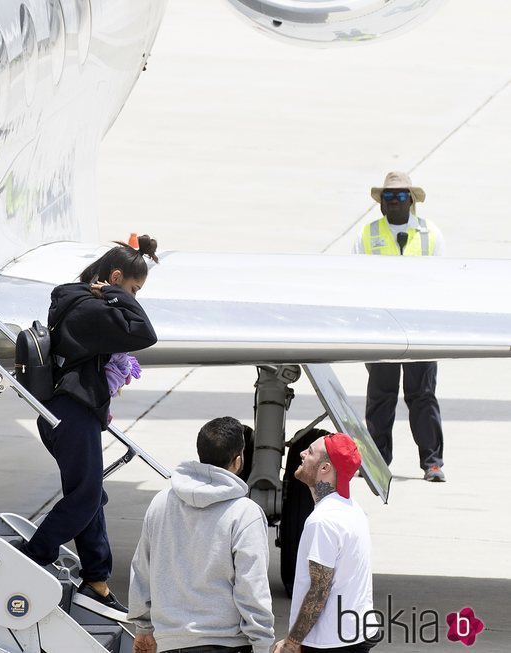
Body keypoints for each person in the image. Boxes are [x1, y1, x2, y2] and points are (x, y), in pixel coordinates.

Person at [17, 237, 159, 620]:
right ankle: (31, 558)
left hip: (69, 414)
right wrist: (119, 297)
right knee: (84, 498)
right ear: (115, 277)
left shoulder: (78, 302)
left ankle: (96, 583)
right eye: (134, 288)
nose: (134, 297)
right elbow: (145, 332)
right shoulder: (90, 312)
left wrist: (115, 295)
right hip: (72, 414)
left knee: (91, 497)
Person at [128, 416, 274, 653]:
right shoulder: (244, 513)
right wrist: (262, 644)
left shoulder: (161, 502)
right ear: (237, 461)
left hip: (170, 643)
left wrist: (143, 627)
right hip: (226, 645)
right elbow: (252, 588)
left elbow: (141, 571)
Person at [353, 171, 446, 482]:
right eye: (388, 197)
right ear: (380, 203)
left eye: (401, 196)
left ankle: (432, 463)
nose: (394, 202)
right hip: (382, 328)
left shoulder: (430, 234)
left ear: (412, 201)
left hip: (420, 328)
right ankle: (378, 463)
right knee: (381, 396)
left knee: (422, 395)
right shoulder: (366, 234)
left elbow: (441, 280)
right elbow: (354, 278)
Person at [273, 433, 375, 653]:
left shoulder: (323, 521)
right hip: (354, 634)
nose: (301, 454)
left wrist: (292, 642)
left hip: (329, 642)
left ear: (325, 469)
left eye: (309, 452)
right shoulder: (353, 509)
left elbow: (319, 589)